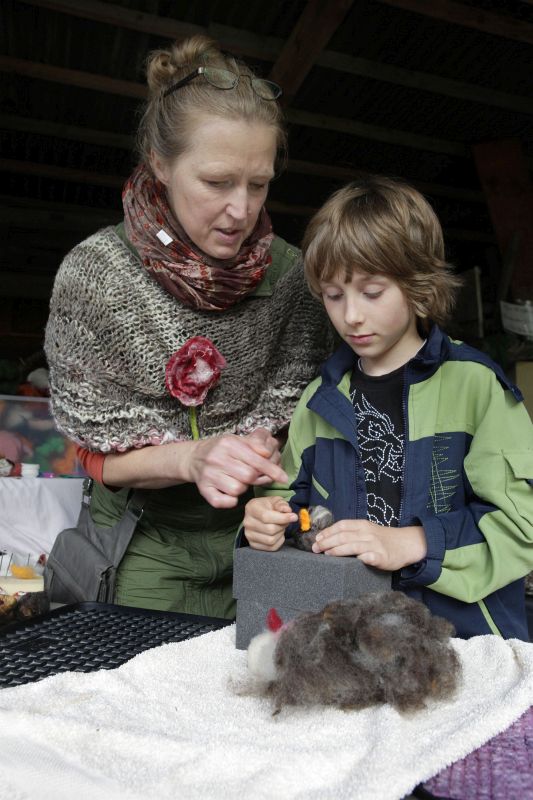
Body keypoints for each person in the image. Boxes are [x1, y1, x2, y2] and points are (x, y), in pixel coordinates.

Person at [44, 35, 333, 619]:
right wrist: (191, 459)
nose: (241, 210)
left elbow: (311, 418)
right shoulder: (96, 276)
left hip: (264, 537)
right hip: (143, 546)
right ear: (160, 162)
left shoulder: (294, 278)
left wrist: (272, 443)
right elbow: (92, 453)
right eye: (217, 182)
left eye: (259, 184)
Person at [243, 175, 533, 640]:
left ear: (418, 284)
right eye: (334, 295)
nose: (351, 315)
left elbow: (520, 525)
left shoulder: (476, 386)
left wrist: (415, 542)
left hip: (464, 642)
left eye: (372, 292)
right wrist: (267, 524)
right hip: (350, 642)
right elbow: (290, 505)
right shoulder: (319, 399)